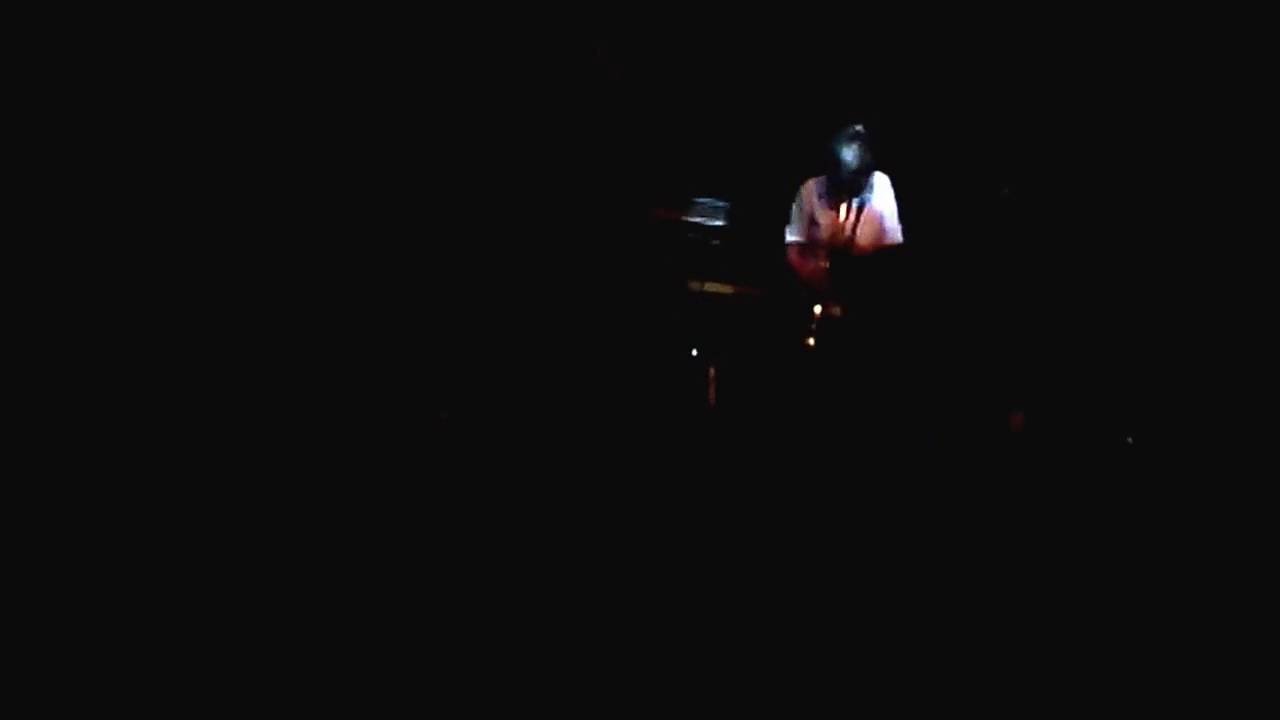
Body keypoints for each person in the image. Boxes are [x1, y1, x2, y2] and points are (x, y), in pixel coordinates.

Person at [785, 124, 903, 294]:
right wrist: (817, 280)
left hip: (867, 286)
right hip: (816, 287)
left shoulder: (881, 184)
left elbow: (893, 247)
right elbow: (794, 248)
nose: (844, 197)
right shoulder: (810, 189)